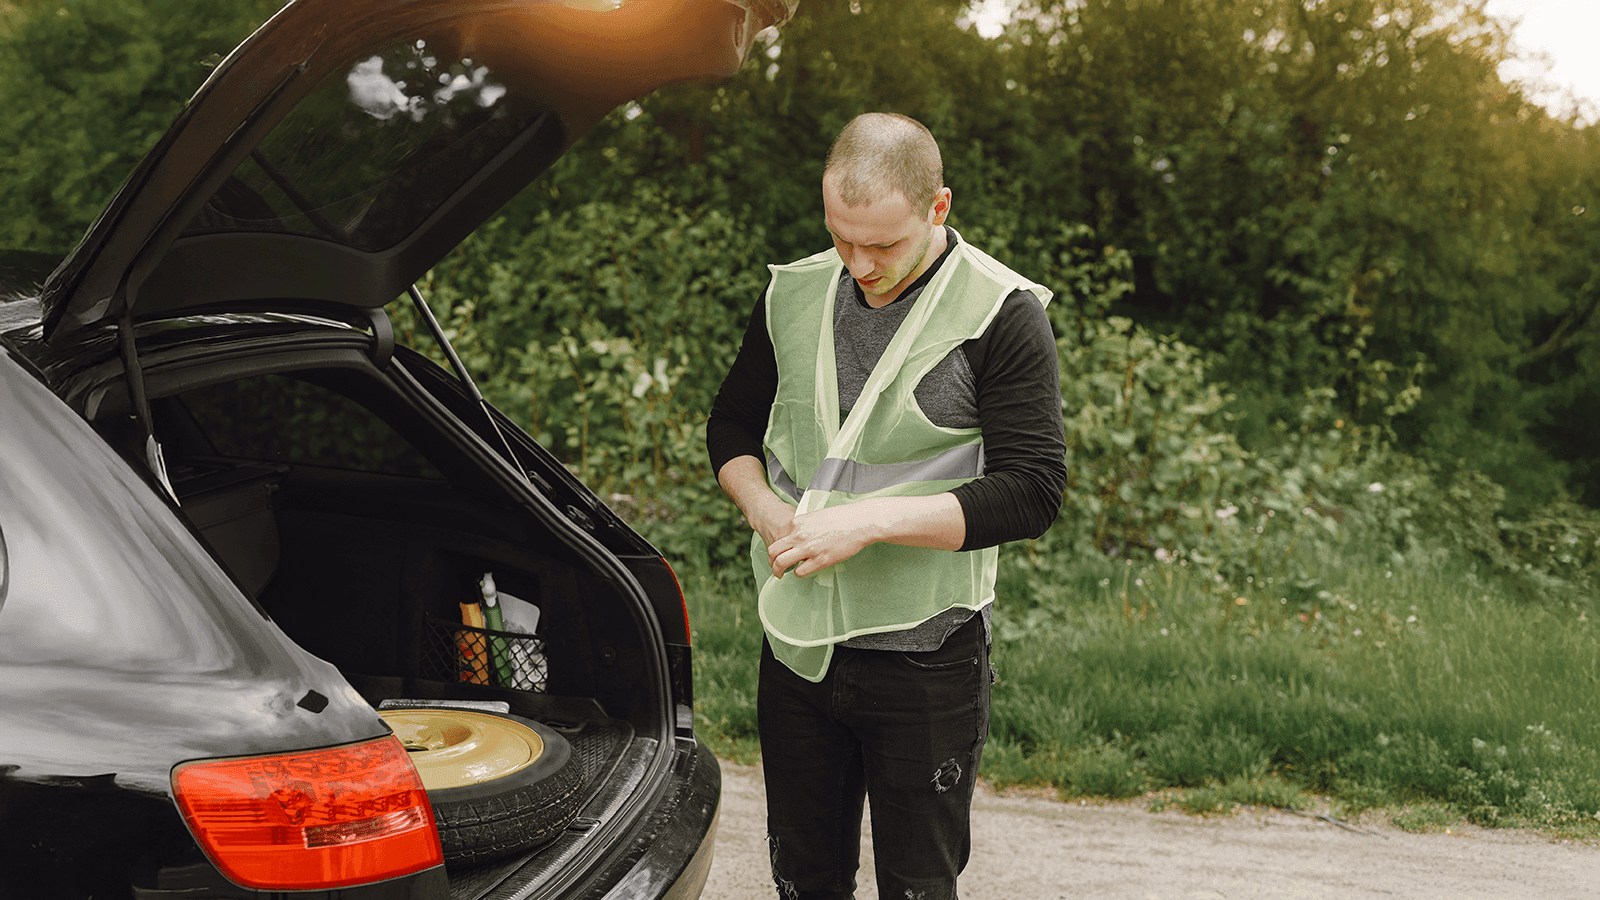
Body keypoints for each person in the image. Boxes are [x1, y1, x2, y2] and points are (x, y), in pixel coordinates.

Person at [706, 112, 1067, 900]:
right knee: (803, 879)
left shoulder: (1001, 314)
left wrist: (865, 523)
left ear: (939, 208)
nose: (860, 265)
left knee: (917, 885)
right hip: (799, 649)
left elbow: (1034, 489)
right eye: (842, 238)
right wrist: (767, 511)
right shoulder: (795, 293)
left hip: (925, 661)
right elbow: (729, 425)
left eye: (884, 245)